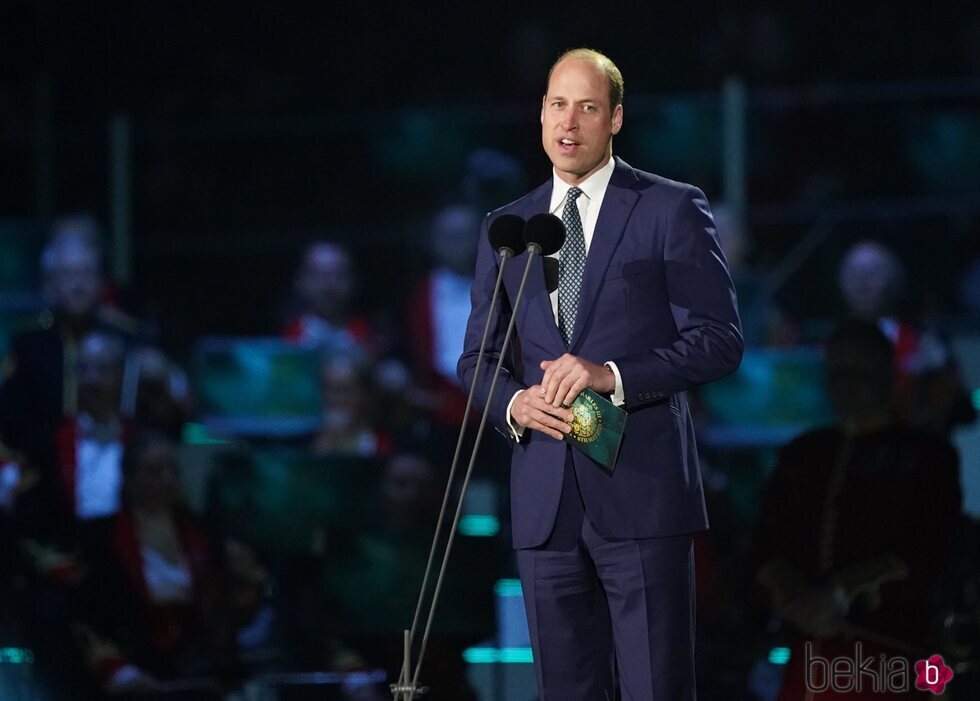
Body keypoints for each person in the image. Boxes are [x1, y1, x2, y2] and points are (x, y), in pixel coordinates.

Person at [457, 48, 743, 700]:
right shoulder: (507, 227)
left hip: (641, 494)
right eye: (558, 104)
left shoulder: (670, 207)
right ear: (539, 116)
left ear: (614, 118)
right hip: (545, 502)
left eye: (588, 107)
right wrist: (512, 404)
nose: (570, 121)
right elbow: (478, 359)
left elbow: (720, 340)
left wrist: (611, 374)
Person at [754, 320, 961, 700]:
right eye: (837, 370)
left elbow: (930, 545)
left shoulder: (926, 456)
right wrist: (795, 597)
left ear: (885, 373)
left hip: (889, 658)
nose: (845, 381)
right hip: (807, 658)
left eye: (858, 369)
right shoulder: (805, 454)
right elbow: (768, 540)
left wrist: (838, 592)